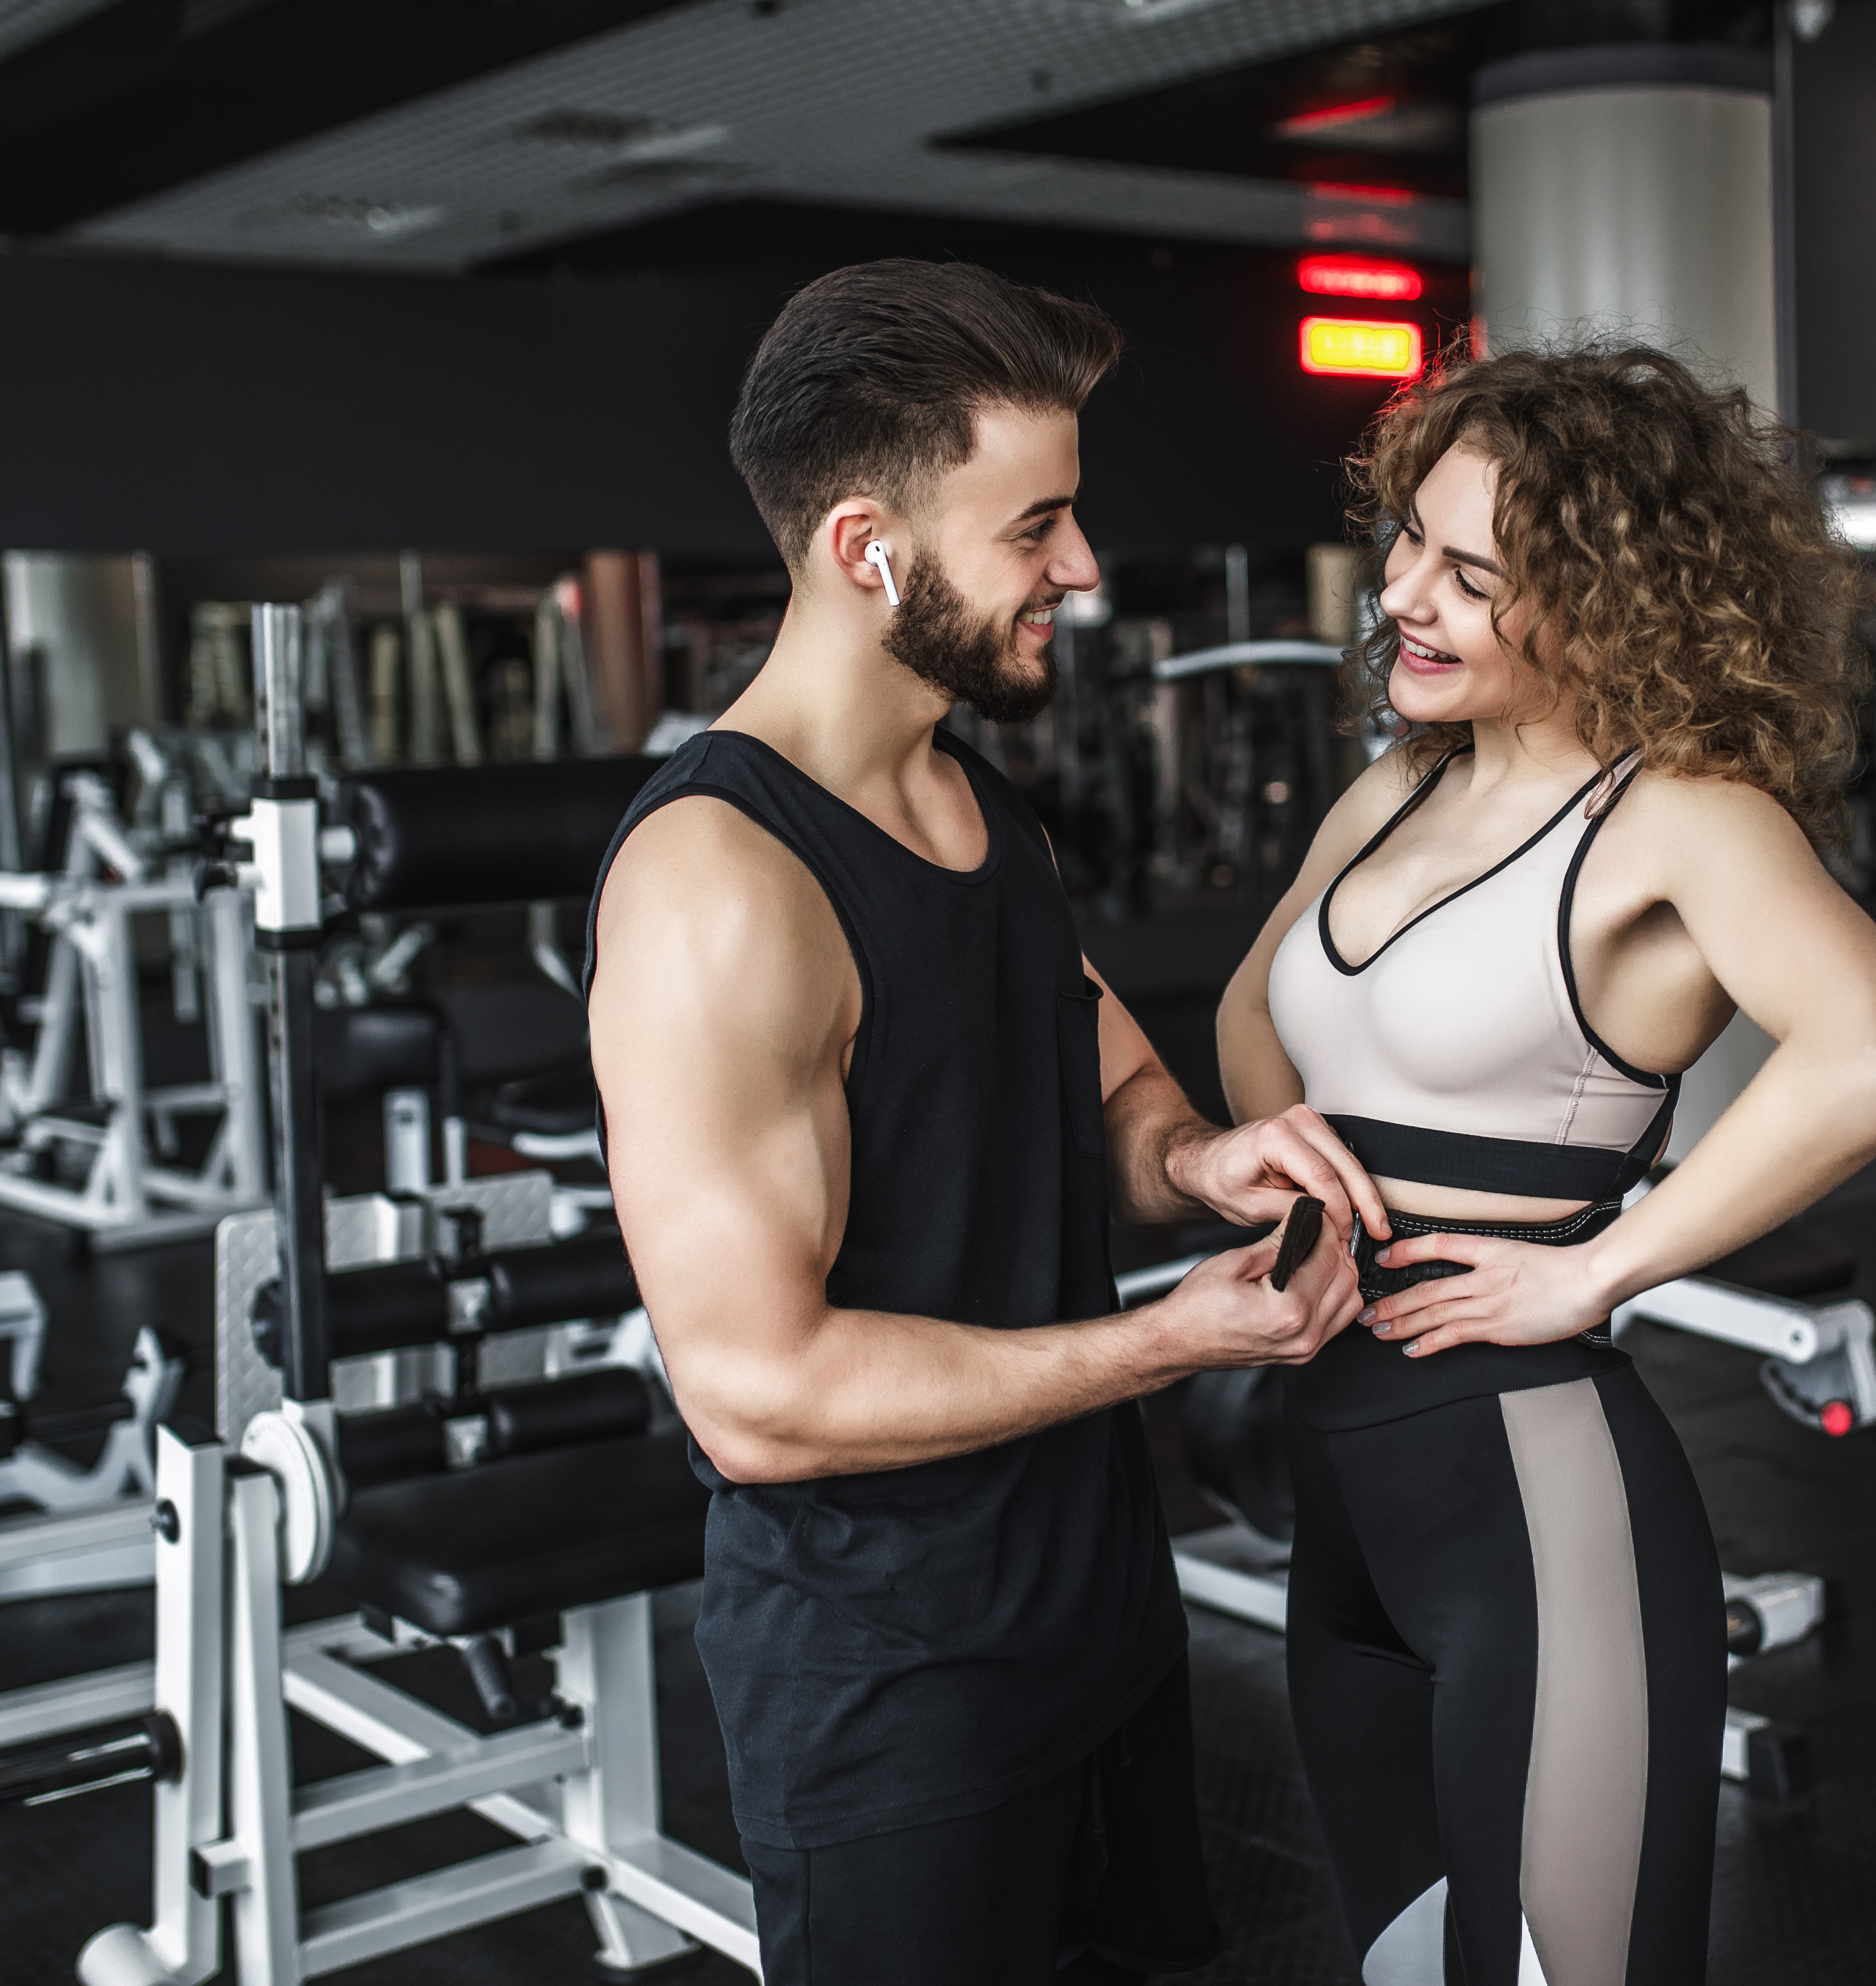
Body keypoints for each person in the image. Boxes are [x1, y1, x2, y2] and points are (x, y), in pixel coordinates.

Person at [587, 260, 1378, 1985]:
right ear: (870, 544)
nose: (1083, 569)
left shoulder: (970, 795)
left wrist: (1193, 1159)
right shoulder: (722, 882)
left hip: (1094, 1622)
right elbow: (761, 1393)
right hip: (893, 1693)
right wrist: (1164, 1341)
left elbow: (1093, 1072)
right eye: (1039, 527)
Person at [1215, 342, 1876, 1985]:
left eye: (1472, 575)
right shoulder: (1396, 788)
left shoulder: (1681, 817)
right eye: (1409, 542)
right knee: (1409, 1969)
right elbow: (1251, 1011)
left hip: (1536, 1520)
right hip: (1340, 1505)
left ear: (1612, 596)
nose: (1405, 593)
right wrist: (1289, 1194)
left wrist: (1600, 1267)